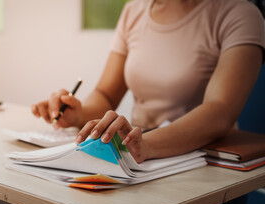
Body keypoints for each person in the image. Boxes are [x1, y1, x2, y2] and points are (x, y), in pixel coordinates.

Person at [31, 0, 265, 164]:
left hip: (205, 168)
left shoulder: (240, 14)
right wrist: (78, 114)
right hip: (139, 160)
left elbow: (220, 111)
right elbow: (106, 94)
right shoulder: (134, 10)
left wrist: (146, 144)